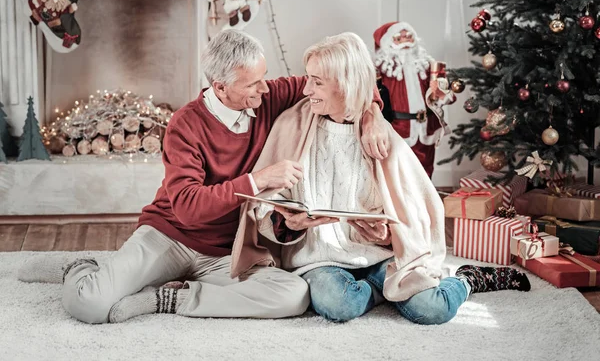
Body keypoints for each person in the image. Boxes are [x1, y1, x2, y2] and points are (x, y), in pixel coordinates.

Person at [18, 30, 390, 324]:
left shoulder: (268, 95)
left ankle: (173, 298)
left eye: (265, 77)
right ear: (221, 87)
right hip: (169, 236)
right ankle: (80, 268)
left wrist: (372, 114)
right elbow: (189, 208)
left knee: (293, 296)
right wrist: (258, 181)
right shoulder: (186, 124)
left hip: (226, 253)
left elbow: (351, 79)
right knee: (91, 305)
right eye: (253, 84)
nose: (267, 87)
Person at [231, 32, 531, 324]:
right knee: (338, 304)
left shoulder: (379, 133)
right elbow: (265, 204)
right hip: (319, 258)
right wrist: (287, 224)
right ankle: (387, 292)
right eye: (308, 78)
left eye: (317, 82)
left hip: (380, 256)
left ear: (346, 86)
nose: (306, 89)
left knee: (433, 310)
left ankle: (468, 279)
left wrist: (387, 235)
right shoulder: (292, 124)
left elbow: (419, 205)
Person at [374, 22, 456, 178]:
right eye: (399, 38)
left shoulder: (427, 68)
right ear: (388, 43)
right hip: (398, 129)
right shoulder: (383, 73)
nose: (405, 41)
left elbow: (446, 96)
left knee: (425, 170)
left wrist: (439, 92)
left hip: (426, 127)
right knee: (399, 172)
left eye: (409, 37)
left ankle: (426, 201)